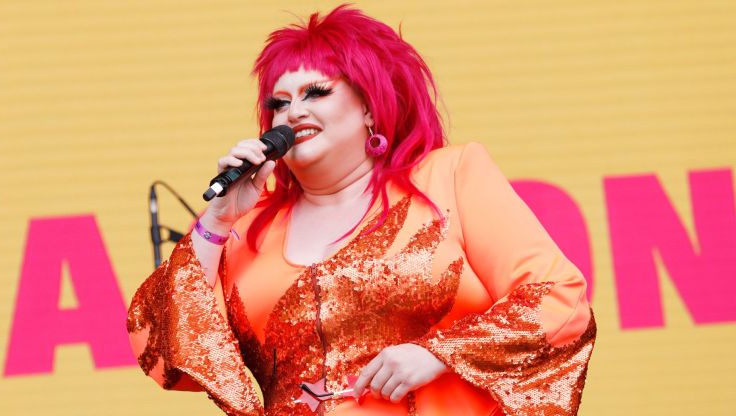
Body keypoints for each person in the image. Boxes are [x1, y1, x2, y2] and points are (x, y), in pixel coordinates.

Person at [127, 5, 596, 416]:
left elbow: (559, 299)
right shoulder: (245, 228)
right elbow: (161, 357)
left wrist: (439, 354)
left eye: (316, 93)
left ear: (370, 106)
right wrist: (216, 222)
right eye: (279, 103)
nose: (292, 113)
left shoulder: (448, 176)